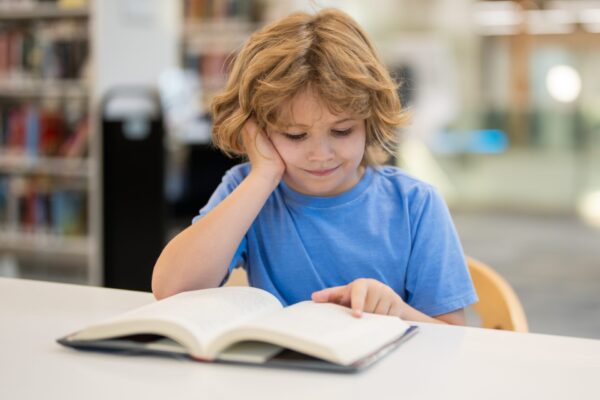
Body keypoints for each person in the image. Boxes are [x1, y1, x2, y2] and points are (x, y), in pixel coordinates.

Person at [152, 8, 477, 325]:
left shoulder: (415, 204)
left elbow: (451, 334)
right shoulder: (248, 189)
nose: (320, 154)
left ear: (369, 120)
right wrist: (263, 176)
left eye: (342, 131)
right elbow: (171, 287)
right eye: (295, 135)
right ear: (258, 129)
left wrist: (397, 312)